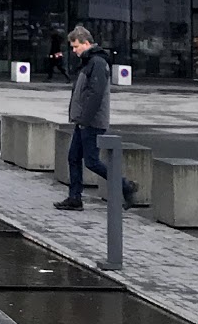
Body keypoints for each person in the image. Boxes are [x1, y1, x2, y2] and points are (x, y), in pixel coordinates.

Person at [53, 25, 136, 212]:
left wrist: (85, 119)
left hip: (91, 122)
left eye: (76, 46)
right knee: (74, 157)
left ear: (86, 43)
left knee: (91, 161)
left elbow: (95, 94)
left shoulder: (97, 63)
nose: (74, 51)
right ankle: (75, 198)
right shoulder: (89, 62)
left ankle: (125, 186)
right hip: (84, 121)